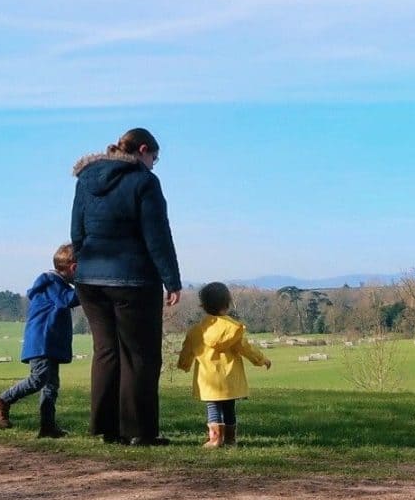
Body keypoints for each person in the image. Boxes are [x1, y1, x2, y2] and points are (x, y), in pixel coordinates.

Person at [70, 128, 182, 445]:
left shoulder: (85, 180)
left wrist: (86, 264)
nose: (153, 165)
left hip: (90, 280)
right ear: (142, 150)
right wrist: (171, 279)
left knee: (106, 352)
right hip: (133, 280)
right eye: (153, 158)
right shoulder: (144, 181)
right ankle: (140, 431)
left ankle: (107, 428)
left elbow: (76, 231)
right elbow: (157, 235)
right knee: (140, 356)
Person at [0, 243, 79, 438]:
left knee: (51, 385)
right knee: (38, 379)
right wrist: (90, 287)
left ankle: (48, 427)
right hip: (42, 341)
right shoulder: (51, 281)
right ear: (73, 267)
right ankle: (2, 400)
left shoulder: (57, 283)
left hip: (49, 342)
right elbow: (67, 300)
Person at [176, 282, 271, 447]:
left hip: (208, 380)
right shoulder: (233, 330)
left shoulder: (196, 331)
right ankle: (230, 439)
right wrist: (261, 360)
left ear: (203, 305)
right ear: (227, 304)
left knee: (213, 408)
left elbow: (187, 350)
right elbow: (246, 349)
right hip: (230, 380)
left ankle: (215, 439)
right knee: (229, 409)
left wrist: (184, 365)